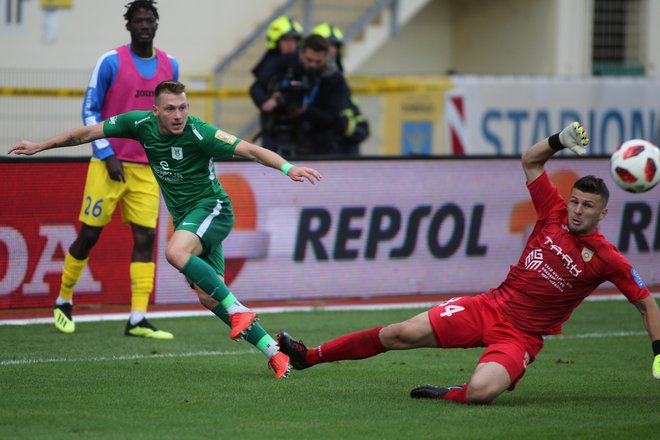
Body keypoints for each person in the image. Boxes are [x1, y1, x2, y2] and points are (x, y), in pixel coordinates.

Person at [277, 122, 660, 401]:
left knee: (480, 394)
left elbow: (646, 303)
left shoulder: (608, 258)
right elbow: (530, 161)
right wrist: (558, 140)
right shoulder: (554, 212)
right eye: (574, 201)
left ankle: (452, 394)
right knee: (400, 333)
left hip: (521, 336)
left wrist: (659, 353)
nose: (576, 210)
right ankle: (310, 356)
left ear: (603, 214)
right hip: (489, 306)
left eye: (587, 206)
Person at [9, 80, 323, 379]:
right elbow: (88, 133)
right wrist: (39, 146)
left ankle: (238, 308)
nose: (178, 115)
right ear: (155, 111)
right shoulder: (139, 124)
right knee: (208, 297)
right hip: (188, 218)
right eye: (171, 109)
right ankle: (274, 353)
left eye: (183, 107)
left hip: (213, 210)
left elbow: (251, 150)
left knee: (174, 252)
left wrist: (288, 167)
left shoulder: (201, 133)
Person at [54, 0, 179, 339]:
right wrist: (105, 151)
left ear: (156, 24)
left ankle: (138, 317)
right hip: (107, 163)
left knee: (147, 237)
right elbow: (91, 110)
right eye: (138, 20)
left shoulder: (170, 64)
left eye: (149, 20)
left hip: (148, 168)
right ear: (129, 26)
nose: (144, 25)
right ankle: (64, 299)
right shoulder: (110, 62)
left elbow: (171, 115)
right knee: (90, 234)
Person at [249, 34, 351, 156]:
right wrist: (265, 102)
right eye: (309, 60)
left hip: (316, 145)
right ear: (301, 53)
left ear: (326, 57)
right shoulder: (285, 63)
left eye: (318, 61)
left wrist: (305, 111)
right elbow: (257, 87)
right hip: (278, 133)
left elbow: (333, 117)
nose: (313, 65)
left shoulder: (334, 78)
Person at [311, 22, 369, 156]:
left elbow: (353, 113)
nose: (332, 50)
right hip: (321, 152)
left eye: (335, 46)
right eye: (328, 45)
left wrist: (354, 128)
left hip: (344, 151)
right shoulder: (313, 80)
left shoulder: (339, 80)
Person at [251, 15, 303, 80]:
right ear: (276, 42)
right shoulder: (269, 64)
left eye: (294, 40)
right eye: (286, 40)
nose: (291, 44)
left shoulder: (304, 62)